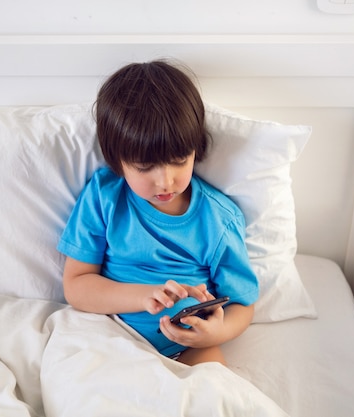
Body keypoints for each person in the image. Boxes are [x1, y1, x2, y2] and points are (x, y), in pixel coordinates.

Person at [57, 60, 259, 366]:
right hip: (109, 332)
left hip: (189, 346)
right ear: (118, 160)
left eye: (179, 160)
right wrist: (143, 296)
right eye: (144, 167)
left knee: (213, 391)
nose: (165, 182)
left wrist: (216, 333)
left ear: (196, 148)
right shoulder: (105, 197)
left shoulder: (218, 219)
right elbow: (77, 285)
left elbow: (243, 304)